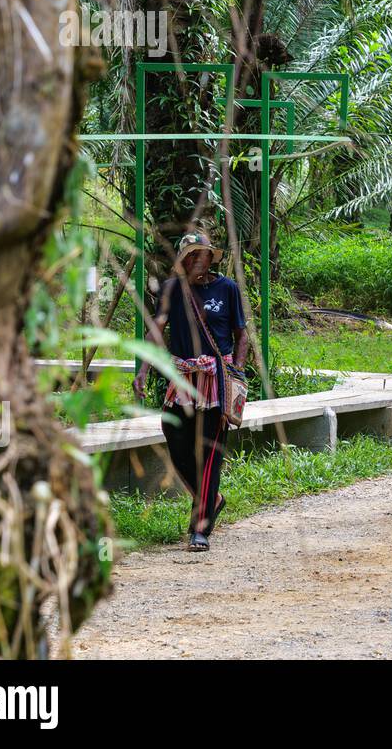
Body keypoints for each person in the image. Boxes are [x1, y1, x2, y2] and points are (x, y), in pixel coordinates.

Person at [133, 232, 248, 551]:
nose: (196, 262)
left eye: (201, 255)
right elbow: (156, 330)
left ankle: (200, 528)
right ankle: (213, 499)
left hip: (216, 379)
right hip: (183, 378)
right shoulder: (172, 290)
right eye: (189, 257)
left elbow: (242, 335)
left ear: (211, 258)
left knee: (210, 452)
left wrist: (236, 372)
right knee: (174, 435)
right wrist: (142, 369)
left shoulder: (227, 289)